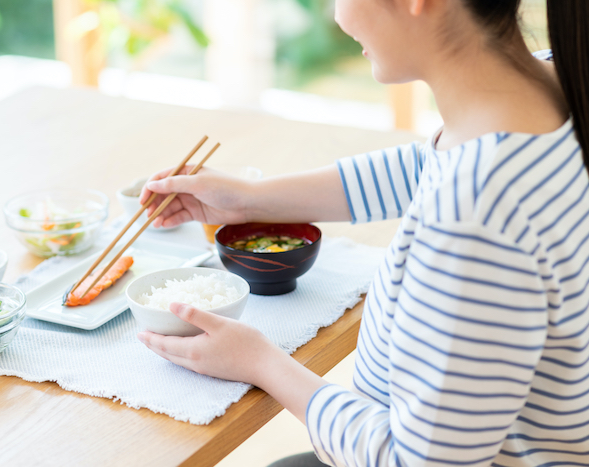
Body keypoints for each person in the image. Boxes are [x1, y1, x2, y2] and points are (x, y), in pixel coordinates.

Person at [137, 0, 589, 465]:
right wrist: (251, 199)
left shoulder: (476, 212)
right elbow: (426, 166)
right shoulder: (556, 82)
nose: (337, 16)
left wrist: (260, 362)